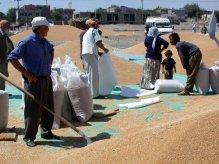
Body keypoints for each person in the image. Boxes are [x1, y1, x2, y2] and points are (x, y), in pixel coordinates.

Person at [8, 17, 59, 147]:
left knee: (48, 108)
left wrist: (49, 63)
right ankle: (29, 137)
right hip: (34, 81)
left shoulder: (45, 42)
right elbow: (12, 58)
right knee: (33, 110)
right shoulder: (26, 42)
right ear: (40, 28)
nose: (48, 29)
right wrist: (27, 74)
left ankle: (46, 131)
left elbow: (51, 49)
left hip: (46, 79)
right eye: (46, 27)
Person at [81, 18, 109, 98]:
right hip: (91, 53)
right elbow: (98, 42)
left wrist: (98, 52)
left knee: (88, 74)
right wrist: (105, 49)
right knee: (94, 75)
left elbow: (90, 43)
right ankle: (95, 94)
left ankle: (89, 93)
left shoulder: (86, 32)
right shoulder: (94, 31)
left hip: (85, 54)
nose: (98, 26)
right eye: (97, 24)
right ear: (95, 25)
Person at [0, 20, 14, 90]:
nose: (9, 28)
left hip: (4, 61)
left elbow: (9, 46)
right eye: (8, 27)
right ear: (3, 26)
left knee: (3, 78)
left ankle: (3, 93)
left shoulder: (5, 35)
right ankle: (1, 95)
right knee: (1, 79)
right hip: (1, 62)